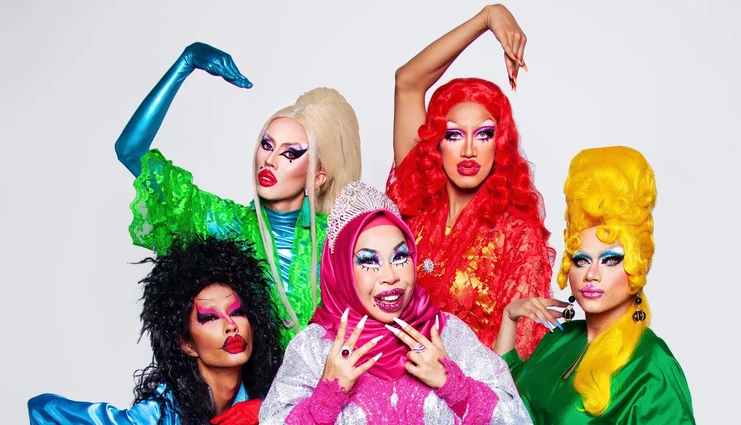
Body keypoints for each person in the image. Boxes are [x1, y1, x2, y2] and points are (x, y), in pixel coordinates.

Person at [115, 42, 362, 346]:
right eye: (267, 145)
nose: (269, 160)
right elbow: (130, 151)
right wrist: (185, 63)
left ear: (318, 176)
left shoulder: (342, 240)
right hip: (245, 378)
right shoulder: (226, 225)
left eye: (290, 153)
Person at [259, 181, 531, 424]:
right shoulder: (315, 347)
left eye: (400, 257)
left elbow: (517, 419)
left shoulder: (447, 334)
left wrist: (453, 385)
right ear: (341, 271)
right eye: (369, 261)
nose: (390, 276)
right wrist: (327, 396)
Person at [387, 4, 553, 357]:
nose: (468, 150)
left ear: (499, 143)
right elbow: (407, 82)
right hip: (389, 383)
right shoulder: (416, 203)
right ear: (436, 142)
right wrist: (486, 18)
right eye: (453, 135)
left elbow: (518, 355)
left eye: (483, 134)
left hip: (469, 390)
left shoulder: (516, 236)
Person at [493, 146, 695, 424]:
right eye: (581, 260)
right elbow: (505, 400)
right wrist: (510, 316)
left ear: (636, 267)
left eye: (610, 260)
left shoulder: (651, 365)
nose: (591, 274)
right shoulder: (559, 339)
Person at [28, 237, 283, 425]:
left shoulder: (268, 398)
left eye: (237, 312)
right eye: (209, 318)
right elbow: (43, 411)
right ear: (186, 344)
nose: (231, 325)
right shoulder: (158, 414)